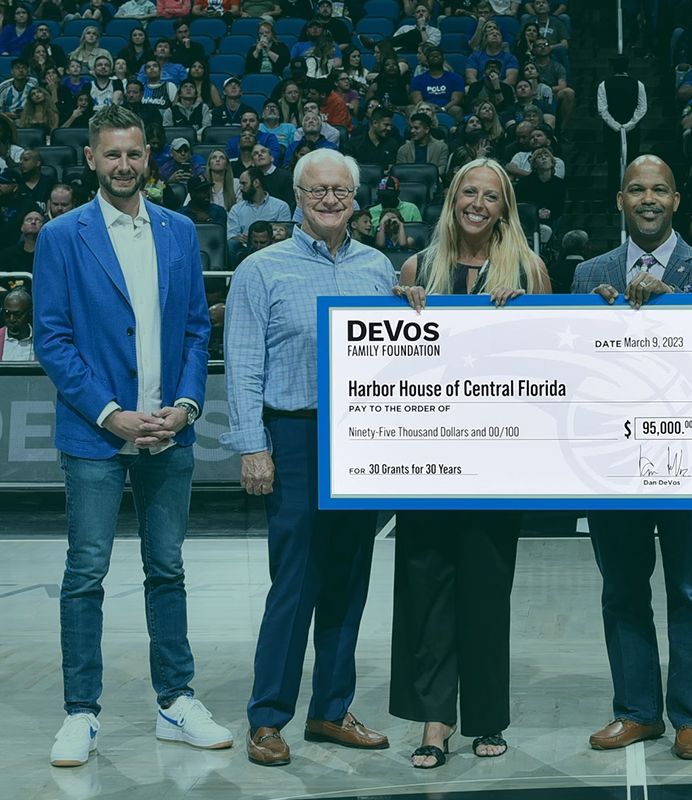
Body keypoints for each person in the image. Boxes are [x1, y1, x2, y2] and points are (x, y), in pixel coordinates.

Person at [32, 104, 231, 768]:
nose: (124, 164)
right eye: (112, 154)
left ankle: (176, 702)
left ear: (150, 158)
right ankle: (80, 714)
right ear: (91, 159)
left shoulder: (177, 231)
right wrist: (109, 412)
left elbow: (198, 328)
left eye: (134, 153)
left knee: (166, 569)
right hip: (97, 435)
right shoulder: (63, 236)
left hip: (167, 435)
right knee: (86, 573)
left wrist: (186, 403)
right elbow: (54, 342)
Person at [222, 149, 395, 767]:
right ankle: (268, 718)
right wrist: (252, 446)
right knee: (294, 583)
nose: (329, 199)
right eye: (318, 190)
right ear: (296, 196)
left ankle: (330, 710)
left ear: (356, 198)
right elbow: (242, 366)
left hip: (364, 435)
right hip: (292, 436)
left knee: (349, 582)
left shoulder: (379, 267)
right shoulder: (260, 270)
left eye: (340, 191)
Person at [572, 155, 692, 760]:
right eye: (637, 189)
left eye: (659, 190)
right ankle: (637, 711)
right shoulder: (589, 273)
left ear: (676, 201)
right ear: (620, 199)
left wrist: (673, 307)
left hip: (690, 458)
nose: (648, 198)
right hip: (612, 459)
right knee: (622, 588)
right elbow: (574, 369)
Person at [389, 158, 549, 769]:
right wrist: (399, 311)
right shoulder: (417, 268)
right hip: (425, 456)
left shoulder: (529, 270)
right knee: (425, 588)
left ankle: (486, 717)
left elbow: (549, 361)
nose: (477, 203)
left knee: (486, 591)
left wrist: (527, 313)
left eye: (490, 195)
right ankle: (434, 721)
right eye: (467, 192)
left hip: (497, 458)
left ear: (504, 207)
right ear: (452, 199)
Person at [597, 56, 648, 193]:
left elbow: (602, 109)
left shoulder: (604, 84)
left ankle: (614, 195)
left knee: (613, 163)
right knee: (630, 160)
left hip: (612, 129)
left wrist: (616, 125)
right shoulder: (638, 84)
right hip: (630, 129)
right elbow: (642, 108)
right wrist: (630, 124)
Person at [0, 286, 35, 361]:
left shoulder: (41, 340)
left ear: (30, 313)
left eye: (17, 314)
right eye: (7, 313)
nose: (11, 319)